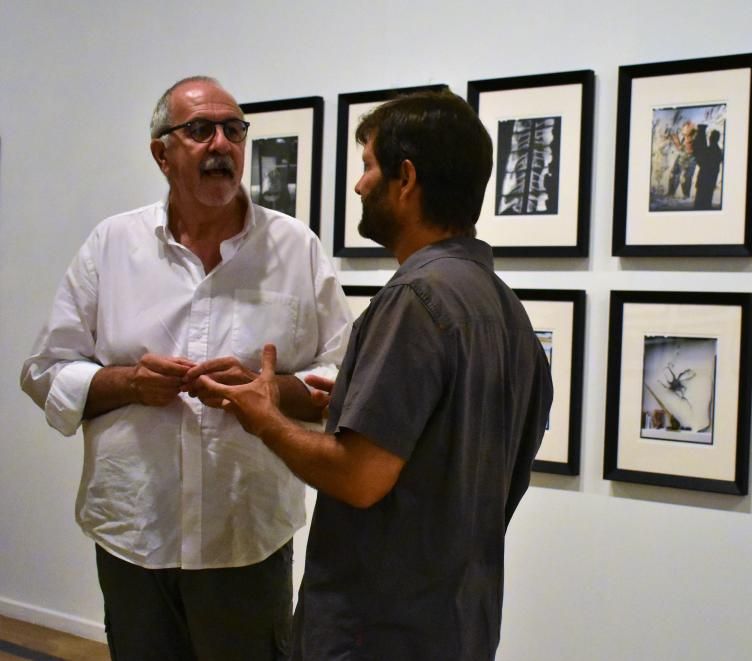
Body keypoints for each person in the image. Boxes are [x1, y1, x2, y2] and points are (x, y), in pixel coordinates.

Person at [196, 90, 554, 660]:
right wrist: (359, 403)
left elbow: (360, 478)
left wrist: (263, 418)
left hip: (378, 632)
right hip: (460, 624)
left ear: (405, 180)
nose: (360, 184)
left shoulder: (416, 299)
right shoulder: (506, 312)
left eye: (368, 166)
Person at [20, 75, 353, 660]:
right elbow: (45, 369)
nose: (221, 144)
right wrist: (127, 383)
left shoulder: (296, 248)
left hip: (245, 539)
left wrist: (271, 392)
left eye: (233, 129)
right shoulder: (111, 245)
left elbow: (343, 374)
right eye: (199, 130)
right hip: (134, 536)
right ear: (162, 153)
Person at [692, 124, 724, 210]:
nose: (709, 138)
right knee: (707, 202)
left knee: (700, 204)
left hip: (704, 180)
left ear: (712, 138)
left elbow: (701, 161)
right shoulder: (718, 151)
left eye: (710, 136)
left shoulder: (710, 150)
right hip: (710, 181)